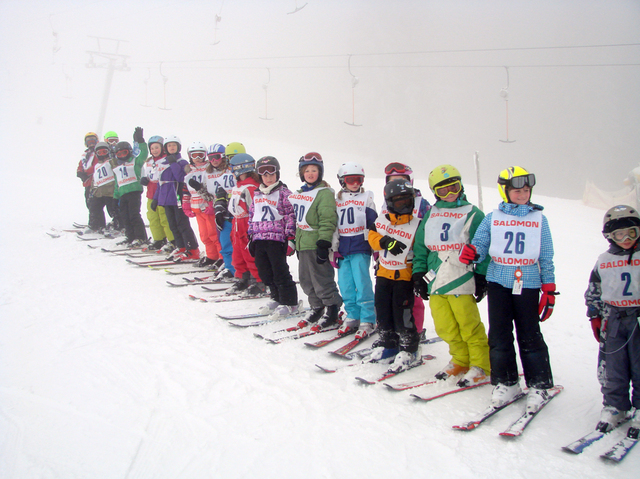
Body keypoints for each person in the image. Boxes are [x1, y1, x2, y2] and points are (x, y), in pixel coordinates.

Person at [459, 166, 557, 412]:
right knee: (499, 334)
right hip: (498, 280)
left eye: (526, 190)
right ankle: (506, 382)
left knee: (529, 333)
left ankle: (539, 384)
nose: (523, 195)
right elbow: (480, 243)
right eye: (517, 191)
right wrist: (474, 252)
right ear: (505, 191)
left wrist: (549, 287)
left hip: (529, 281)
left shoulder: (539, 219)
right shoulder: (494, 218)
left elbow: (546, 256)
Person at [413, 164, 491, 388]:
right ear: (434, 192)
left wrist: (481, 276)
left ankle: (480, 364)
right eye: (443, 190)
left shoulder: (473, 214)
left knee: (468, 324)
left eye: (454, 187)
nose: (449, 193)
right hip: (436, 278)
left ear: (461, 185)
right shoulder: (431, 214)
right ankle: (460, 359)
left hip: (461, 277)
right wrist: (419, 273)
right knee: (445, 326)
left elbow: (483, 246)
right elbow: (421, 246)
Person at [584, 205, 640, 439]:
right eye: (619, 235)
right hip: (613, 319)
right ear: (609, 236)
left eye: (632, 233)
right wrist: (594, 314)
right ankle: (615, 406)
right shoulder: (604, 261)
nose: (626, 239)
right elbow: (593, 289)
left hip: (638, 318)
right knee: (612, 365)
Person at [368, 179, 423, 371]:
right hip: (383, 274)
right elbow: (372, 236)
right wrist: (386, 242)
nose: (405, 206)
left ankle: (410, 348)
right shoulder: (382, 220)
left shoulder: (417, 225)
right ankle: (388, 342)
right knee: (382, 310)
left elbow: (422, 250)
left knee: (403, 314)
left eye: (408, 201)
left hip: (404, 278)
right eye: (399, 202)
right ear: (390, 202)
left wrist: (419, 276)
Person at [289, 152, 342, 331]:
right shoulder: (300, 194)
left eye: (314, 170)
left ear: (320, 172)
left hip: (317, 242)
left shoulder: (324, 193)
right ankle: (317, 307)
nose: (310, 173)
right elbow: (297, 219)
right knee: (305, 280)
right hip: (303, 243)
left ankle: (332, 308)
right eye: (307, 170)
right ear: (301, 173)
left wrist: (323, 242)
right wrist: (295, 241)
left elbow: (328, 219)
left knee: (321, 279)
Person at [248, 156, 299, 316]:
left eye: (271, 174)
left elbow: (291, 215)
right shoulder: (256, 194)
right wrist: (251, 237)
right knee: (264, 271)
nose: (268, 178)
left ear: (277, 174)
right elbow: (252, 216)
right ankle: (276, 297)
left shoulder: (284, 193)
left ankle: (290, 302)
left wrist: (290, 237)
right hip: (260, 239)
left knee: (279, 271)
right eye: (264, 175)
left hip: (277, 239)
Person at [383, 162, 430, 336]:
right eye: (392, 180)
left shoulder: (420, 203)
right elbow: (381, 228)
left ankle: (415, 330)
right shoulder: (386, 202)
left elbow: (428, 228)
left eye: (402, 180)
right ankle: (398, 328)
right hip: (392, 259)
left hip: (413, 258)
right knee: (394, 297)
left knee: (414, 298)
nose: (397, 184)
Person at [332, 162, 377, 339]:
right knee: (345, 284)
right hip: (343, 248)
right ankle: (352, 314)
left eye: (359, 180)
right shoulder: (337, 200)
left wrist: (375, 248)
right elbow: (334, 226)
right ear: (343, 181)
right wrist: (333, 248)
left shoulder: (367, 197)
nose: (355, 183)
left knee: (362, 282)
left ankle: (367, 318)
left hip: (360, 246)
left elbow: (373, 223)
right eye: (351, 180)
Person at [152, 135, 200, 261]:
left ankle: (192, 249)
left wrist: (173, 163)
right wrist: (156, 198)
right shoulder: (162, 163)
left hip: (177, 198)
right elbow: (160, 182)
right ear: (165, 148)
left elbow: (181, 178)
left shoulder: (182, 162)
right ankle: (181, 247)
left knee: (182, 224)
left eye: (174, 145)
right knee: (172, 224)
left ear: (178, 147)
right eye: (169, 146)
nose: (171, 147)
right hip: (166, 199)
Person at [225, 152, 265, 296]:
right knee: (238, 253)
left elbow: (255, 209)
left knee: (250, 254)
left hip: (246, 223)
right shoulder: (238, 186)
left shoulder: (251, 188)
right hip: (237, 222)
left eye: (233, 168)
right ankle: (242, 278)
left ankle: (258, 281)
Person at [184, 141, 223, 268]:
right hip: (196, 207)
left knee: (213, 234)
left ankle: (221, 258)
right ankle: (212, 256)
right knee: (204, 235)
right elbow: (186, 191)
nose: (197, 159)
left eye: (200, 155)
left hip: (207, 206)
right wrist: (186, 206)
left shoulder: (208, 169)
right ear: (190, 156)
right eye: (194, 156)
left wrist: (212, 204)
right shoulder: (188, 172)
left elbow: (210, 188)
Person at [111, 128, 149, 246]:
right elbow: (117, 184)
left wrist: (141, 141)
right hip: (123, 194)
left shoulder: (135, 162)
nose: (122, 156)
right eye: (119, 154)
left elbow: (143, 154)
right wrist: (115, 197)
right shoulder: (117, 168)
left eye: (124, 153)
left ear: (129, 152)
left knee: (134, 215)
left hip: (134, 192)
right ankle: (130, 236)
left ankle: (140, 237)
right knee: (125, 217)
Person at [140, 135, 174, 251]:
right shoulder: (149, 161)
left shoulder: (166, 160)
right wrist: (144, 179)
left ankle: (172, 240)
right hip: (151, 193)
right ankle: (159, 239)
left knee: (164, 218)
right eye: (152, 148)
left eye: (157, 148)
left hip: (162, 194)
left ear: (162, 148)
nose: (154, 150)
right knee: (153, 217)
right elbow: (147, 174)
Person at [87, 141, 117, 232]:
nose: (102, 154)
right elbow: (95, 179)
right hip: (99, 193)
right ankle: (96, 225)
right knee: (94, 208)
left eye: (104, 152)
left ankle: (118, 226)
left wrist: (112, 156)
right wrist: (92, 190)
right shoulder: (97, 166)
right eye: (99, 153)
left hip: (110, 192)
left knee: (113, 211)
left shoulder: (111, 162)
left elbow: (117, 167)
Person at [77, 132, 99, 211]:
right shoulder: (85, 155)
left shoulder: (98, 152)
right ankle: (94, 220)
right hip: (88, 182)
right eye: (88, 141)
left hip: (98, 182)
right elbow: (81, 165)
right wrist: (80, 173)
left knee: (97, 203)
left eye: (92, 141)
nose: (91, 143)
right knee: (89, 203)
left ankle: (96, 221)